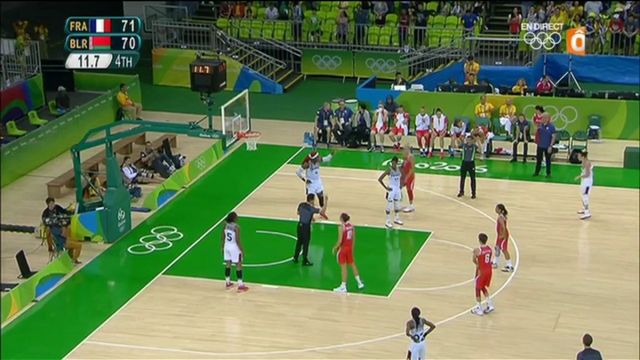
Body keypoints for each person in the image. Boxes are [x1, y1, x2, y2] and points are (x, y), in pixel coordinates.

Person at [42, 197, 82, 264]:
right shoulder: (46, 214)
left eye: (53, 203)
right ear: (48, 204)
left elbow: (65, 212)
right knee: (78, 246)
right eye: (51, 203)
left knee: (74, 241)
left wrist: (71, 212)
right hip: (62, 241)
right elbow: (62, 234)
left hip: (63, 238)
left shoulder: (57, 208)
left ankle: (72, 258)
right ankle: (73, 261)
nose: (53, 204)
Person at [332, 213, 365, 293]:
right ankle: (359, 283)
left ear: (342, 219)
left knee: (343, 268)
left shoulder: (341, 227)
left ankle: (343, 286)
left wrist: (335, 248)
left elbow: (340, 241)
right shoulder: (352, 226)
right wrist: (351, 249)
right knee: (353, 264)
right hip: (349, 248)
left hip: (343, 249)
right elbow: (353, 239)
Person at [296, 150, 333, 219]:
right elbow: (298, 172)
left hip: (318, 182)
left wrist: (331, 154)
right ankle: (311, 216)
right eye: (318, 157)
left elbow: (326, 159)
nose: (319, 157)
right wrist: (305, 180)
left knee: (321, 197)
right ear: (314, 159)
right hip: (311, 184)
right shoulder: (307, 164)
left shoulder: (318, 160)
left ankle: (322, 213)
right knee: (310, 201)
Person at [294, 193, 327, 266]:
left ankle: (295, 257)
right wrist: (326, 201)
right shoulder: (312, 208)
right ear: (311, 200)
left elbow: (298, 213)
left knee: (299, 242)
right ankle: (304, 260)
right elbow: (322, 212)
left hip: (299, 226)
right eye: (314, 200)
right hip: (306, 227)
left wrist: (309, 216)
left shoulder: (301, 204)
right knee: (306, 243)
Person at [222, 212, 248, 292]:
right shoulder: (236, 227)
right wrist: (242, 250)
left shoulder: (225, 225)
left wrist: (222, 247)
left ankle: (227, 282)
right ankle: (240, 285)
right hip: (234, 247)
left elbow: (222, 236)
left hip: (227, 246)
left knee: (228, 264)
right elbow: (237, 240)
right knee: (238, 265)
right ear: (234, 218)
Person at [471, 233, 495, 316]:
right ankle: (490, 304)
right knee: (483, 287)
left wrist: (478, 264)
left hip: (482, 272)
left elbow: (474, 260)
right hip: (489, 270)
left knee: (477, 288)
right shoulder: (489, 249)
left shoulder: (477, 250)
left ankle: (479, 309)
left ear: (479, 240)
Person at [378, 156, 404, 228]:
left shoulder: (399, 169)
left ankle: (396, 218)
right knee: (389, 206)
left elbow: (401, 178)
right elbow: (380, 179)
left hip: (397, 189)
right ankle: (388, 221)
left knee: (397, 204)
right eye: (392, 162)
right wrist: (386, 187)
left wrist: (401, 185)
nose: (393, 164)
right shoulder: (389, 170)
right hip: (391, 189)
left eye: (395, 163)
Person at [491, 204, 513, 272]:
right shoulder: (502, 216)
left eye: (497, 208)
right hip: (500, 235)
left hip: (503, 235)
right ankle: (495, 262)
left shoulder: (500, 218)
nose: (495, 209)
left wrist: (503, 235)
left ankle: (509, 265)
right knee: (497, 248)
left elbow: (503, 227)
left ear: (500, 210)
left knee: (504, 249)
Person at [534, 112, 556, 177]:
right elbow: (535, 133)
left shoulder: (551, 127)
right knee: (538, 160)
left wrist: (550, 146)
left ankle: (548, 173)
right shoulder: (540, 126)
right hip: (540, 145)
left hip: (547, 146)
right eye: (541, 117)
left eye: (543, 117)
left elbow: (553, 137)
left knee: (548, 160)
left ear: (547, 118)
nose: (542, 119)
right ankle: (536, 172)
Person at [575, 150, 594, 220]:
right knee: (582, 195)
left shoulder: (587, 163)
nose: (577, 157)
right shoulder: (583, 161)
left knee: (585, 196)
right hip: (584, 181)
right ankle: (584, 209)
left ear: (582, 156)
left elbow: (587, 174)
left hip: (587, 182)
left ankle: (587, 213)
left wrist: (579, 177)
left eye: (578, 155)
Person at [458, 135, 477, 199]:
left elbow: (480, 148)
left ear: (472, 140)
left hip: (471, 163)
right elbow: (456, 145)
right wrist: (460, 139)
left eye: (469, 140)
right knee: (462, 178)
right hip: (464, 163)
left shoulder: (474, 146)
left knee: (473, 179)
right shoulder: (464, 145)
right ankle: (461, 191)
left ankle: (473, 193)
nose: (468, 141)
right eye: (467, 139)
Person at [402, 147, 416, 212]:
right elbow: (403, 167)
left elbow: (412, 169)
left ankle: (411, 205)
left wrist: (407, 177)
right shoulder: (405, 157)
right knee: (398, 188)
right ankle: (399, 203)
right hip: (405, 175)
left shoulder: (411, 157)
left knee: (409, 189)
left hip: (410, 176)